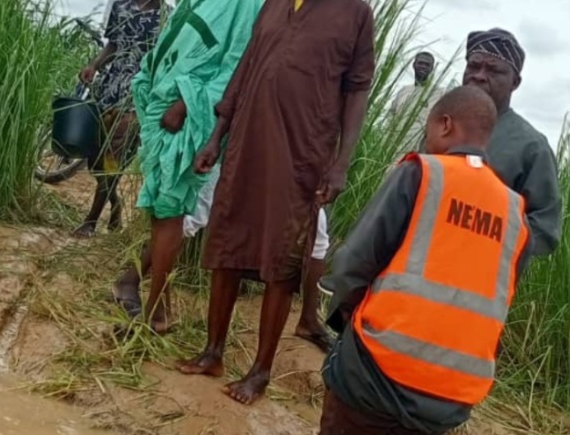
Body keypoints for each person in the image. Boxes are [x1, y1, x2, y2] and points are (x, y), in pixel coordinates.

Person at [276, 26, 563, 435]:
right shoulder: (447, 119)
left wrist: (485, 234)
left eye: (495, 70)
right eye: (474, 66)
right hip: (400, 275)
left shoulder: (530, 147)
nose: (481, 76)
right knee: (351, 366)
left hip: (462, 302)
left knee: (424, 398)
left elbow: (544, 228)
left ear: (516, 81)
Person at [287, 86, 530, 435]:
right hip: (451, 387)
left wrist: (346, 318)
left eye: (428, 126)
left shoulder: (423, 173)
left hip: (380, 362)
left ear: (445, 125)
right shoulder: (514, 210)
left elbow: (355, 261)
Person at [177, 0, 376, 404]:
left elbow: (357, 89)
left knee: (282, 262)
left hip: (302, 154)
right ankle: (213, 352)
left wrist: (341, 162)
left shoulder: (355, 12)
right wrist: (217, 136)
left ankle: (260, 372)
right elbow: (245, 68)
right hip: (246, 143)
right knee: (227, 243)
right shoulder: (274, 4)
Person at [109, 0, 263, 333]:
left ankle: (157, 314)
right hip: (162, 101)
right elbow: (176, 33)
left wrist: (184, 104)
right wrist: (149, 78)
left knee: (172, 211)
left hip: (189, 114)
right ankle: (154, 302)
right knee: (163, 208)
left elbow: (237, 61)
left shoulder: (249, 5)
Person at [115, 168, 337, 350]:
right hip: (237, 146)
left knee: (315, 228)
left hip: (277, 153)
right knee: (190, 214)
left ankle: (309, 319)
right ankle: (142, 293)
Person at [73, 0, 163, 238]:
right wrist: (93, 65)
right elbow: (113, 45)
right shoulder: (121, 6)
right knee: (94, 160)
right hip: (109, 89)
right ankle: (115, 203)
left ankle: (90, 222)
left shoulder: (168, 17)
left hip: (138, 98)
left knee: (113, 157)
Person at [389, 51, 436, 151]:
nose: (423, 66)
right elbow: (391, 117)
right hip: (393, 148)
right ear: (414, 65)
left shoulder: (437, 94)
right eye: (420, 63)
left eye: (427, 65)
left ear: (432, 68)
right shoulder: (403, 91)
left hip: (419, 151)